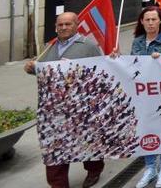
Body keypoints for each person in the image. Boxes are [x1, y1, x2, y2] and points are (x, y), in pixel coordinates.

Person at [25, 12, 104, 188]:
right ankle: (58, 184)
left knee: (87, 142)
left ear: (77, 25)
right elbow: (41, 68)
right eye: (60, 25)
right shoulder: (49, 46)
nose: (63, 28)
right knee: (54, 148)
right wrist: (31, 67)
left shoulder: (88, 46)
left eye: (68, 24)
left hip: (80, 108)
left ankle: (94, 169)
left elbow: (100, 74)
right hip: (52, 110)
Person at [125, 6, 161, 188]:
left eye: (154, 19)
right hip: (143, 95)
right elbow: (132, 65)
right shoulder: (137, 42)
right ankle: (150, 167)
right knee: (145, 130)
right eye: (147, 20)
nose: (150, 23)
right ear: (141, 22)